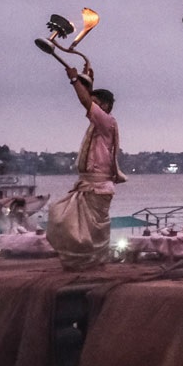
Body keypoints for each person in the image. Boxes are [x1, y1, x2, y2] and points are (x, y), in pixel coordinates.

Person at [46, 66, 124, 269]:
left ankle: (91, 261)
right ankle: (81, 260)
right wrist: (86, 82)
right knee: (60, 216)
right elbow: (87, 100)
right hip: (85, 185)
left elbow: (85, 102)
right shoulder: (98, 122)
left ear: (105, 106)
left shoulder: (106, 122)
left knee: (91, 229)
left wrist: (74, 81)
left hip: (98, 186)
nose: (91, 108)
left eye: (97, 104)